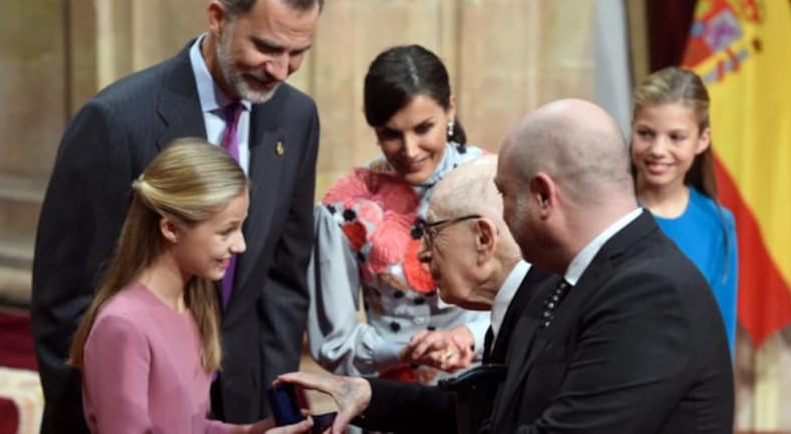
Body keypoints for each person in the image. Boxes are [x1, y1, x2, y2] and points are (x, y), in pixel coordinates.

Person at [286, 99, 735, 433]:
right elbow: (491, 410)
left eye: (503, 194)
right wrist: (369, 394)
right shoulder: (581, 279)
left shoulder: (647, 294)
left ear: (543, 196)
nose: (500, 218)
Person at [31, 0, 324, 432]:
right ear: (217, 18)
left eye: (298, 52)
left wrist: (272, 398)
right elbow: (66, 301)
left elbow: (285, 280)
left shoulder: (298, 118)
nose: (282, 70)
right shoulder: (116, 119)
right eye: (267, 47)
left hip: (243, 402)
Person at [281, 156, 553, 433]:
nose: (421, 253)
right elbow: (473, 412)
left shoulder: (555, 319)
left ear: (483, 238)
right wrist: (367, 394)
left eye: (431, 233)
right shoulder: (521, 308)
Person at [67, 138, 312, 434]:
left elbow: (189, 427)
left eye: (240, 228)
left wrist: (252, 432)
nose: (241, 246)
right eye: (226, 231)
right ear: (170, 228)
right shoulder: (123, 325)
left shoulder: (190, 305)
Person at [307, 44, 489, 385]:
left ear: (450, 110)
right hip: (388, 402)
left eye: (423, 128)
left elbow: (528, 304)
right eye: (391, 134)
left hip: (485, 395)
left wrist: (469, 336)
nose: (409, 150)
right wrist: (402, 351)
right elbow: (334, 343)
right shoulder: (344, 208)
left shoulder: (493, 182)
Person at [630, 66, 738, 353]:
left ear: (702, 140)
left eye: (676, 137)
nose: (658, 149)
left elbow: (720, 332)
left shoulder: (718, 223)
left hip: (684, 391)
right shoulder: (609, 210)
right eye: (645, 133)